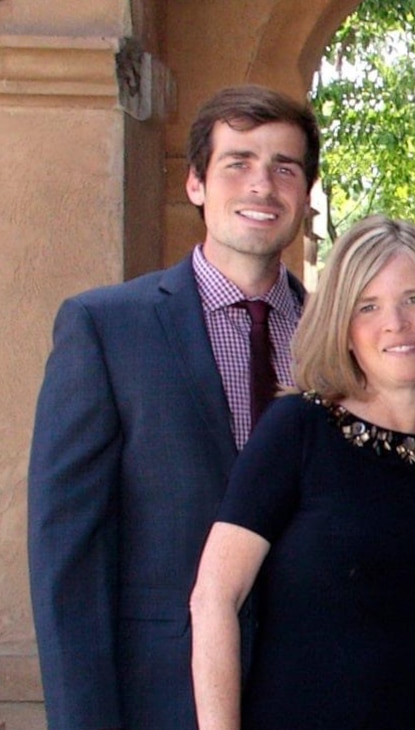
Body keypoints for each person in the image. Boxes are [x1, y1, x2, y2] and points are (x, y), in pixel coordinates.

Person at [27, 84, 319, 730]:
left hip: (312, 694)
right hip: (158, 698)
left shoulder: (338, 341)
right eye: (238, 163)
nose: (261, 186)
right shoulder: (106, 329)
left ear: (305, 194)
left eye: (284, 167)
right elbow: (67, 556)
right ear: (196, 184)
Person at [189, 215, 415, 730]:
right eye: (367, 306)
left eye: (414, 298)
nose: (395, 323)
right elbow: (216, 595)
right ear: (344, 328)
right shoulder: (299, 428)